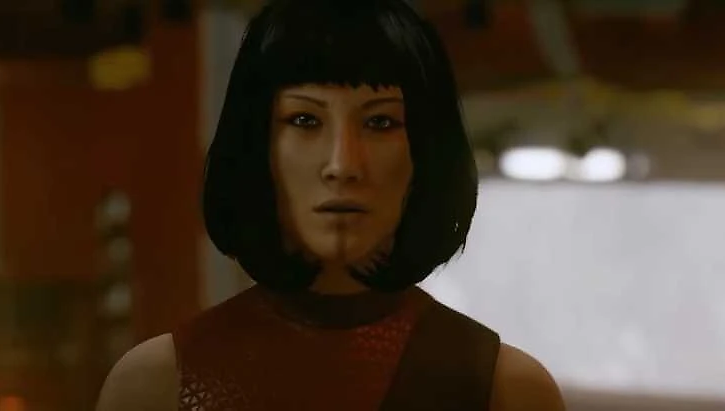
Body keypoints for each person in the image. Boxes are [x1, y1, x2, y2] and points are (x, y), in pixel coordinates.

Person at [96, 0, 566, 409]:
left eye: (380, 123)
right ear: (257, 146)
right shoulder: (156, 384)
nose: (343, 164)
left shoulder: (504, 389)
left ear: (425, 153)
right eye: (304, 120)